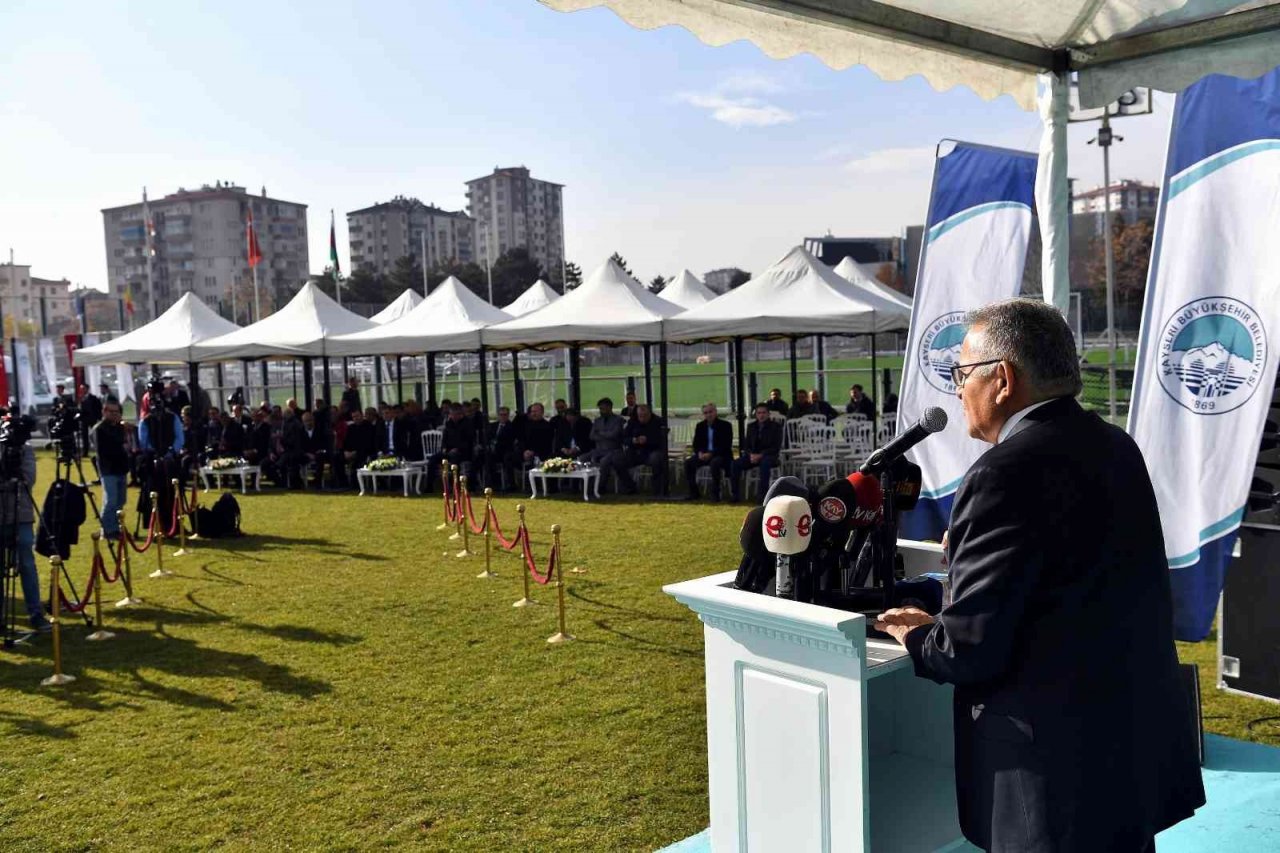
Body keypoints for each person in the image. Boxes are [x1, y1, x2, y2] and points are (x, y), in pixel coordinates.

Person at [874, 299, 1204, 852]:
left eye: (961, 374)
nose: (956, 390)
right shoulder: (1115, 444)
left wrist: (916, 633)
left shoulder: (1003, 472)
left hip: (1053, 781)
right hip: (1126, 756)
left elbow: (969, 647)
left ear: (1001, 379)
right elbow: (1074, 577)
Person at [0, 419, 50, 632]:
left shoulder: (25, 450)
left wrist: (9, 481)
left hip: (22, 516)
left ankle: (35, 613)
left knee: (27, 565)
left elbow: (27, 480)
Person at [607, 403, 667, 496]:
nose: (642, 418)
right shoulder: (633, 421)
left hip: (651, 451)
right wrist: (633, 440)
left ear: (650, 413)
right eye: (640, 416)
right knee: (617, 460)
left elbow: (661, 440)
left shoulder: (658, 421)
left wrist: (647, 440)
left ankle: (657, 489)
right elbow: (624, 438)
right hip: (634, 452)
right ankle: (630, 487)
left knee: (657, 459)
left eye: (645, 416)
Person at [729, 404, 783, 503]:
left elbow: (776, 447)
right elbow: (746, 445)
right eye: (759, 413)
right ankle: (735, 494)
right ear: (756, 414)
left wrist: (761, 455)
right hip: (752, 456)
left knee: (765, 465)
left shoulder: (776, 427)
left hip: (769, 456)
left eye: (763, 413)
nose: (761, 415)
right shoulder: (751, 426)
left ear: (768, 414)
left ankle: (762, 496)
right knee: (735, 464)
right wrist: (751, 455)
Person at [93, 400, 129, 540]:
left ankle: (117, 526)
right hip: (108, 469)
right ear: (105, 412)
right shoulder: (100, 429)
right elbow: (110, 447)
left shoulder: (119, 427)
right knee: (111, 500)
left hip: (120, 468)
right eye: (112, 412)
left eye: (117, 412)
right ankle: (108, 530)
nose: (115, 415)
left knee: (121, 500)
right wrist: (119, 428)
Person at [684, 402, 734, 500]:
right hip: (704, 455)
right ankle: (694, 492)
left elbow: (726, 445)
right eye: (706, 413)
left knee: (715, 463)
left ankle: (715, 492)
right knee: (688, 463)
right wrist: (699, 453)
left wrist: (711, 454)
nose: (708, 415)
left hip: (721, 455)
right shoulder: (700, 426)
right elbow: (696, 444)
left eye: (710, 412)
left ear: (715, 412)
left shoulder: (725, 425)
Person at [426, 404, 475, 491]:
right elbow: (444, 439)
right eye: (452, 414)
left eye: (456, 414)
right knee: (433, 459)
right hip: (449, 451)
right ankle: (429, 486)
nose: (453, 416)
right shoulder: (449, 424)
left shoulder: (467, 424)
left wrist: (457, 448)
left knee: (454, 458)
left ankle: (454, 486)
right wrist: (444, 448)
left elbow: (469, 441)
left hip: (463, 452)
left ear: (460, 414)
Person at [581, 398, 624, 466]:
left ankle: (602, 476)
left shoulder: (618, 420)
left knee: (604, 461)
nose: (600, 411)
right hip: (599, 450)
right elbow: (591, 436)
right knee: (581, 459)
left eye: (602, 409)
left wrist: (600, 433)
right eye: (600, 409)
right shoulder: (597, 420)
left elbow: (613, 435)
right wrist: (606, 434)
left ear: (609, 408)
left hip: (613, 450)